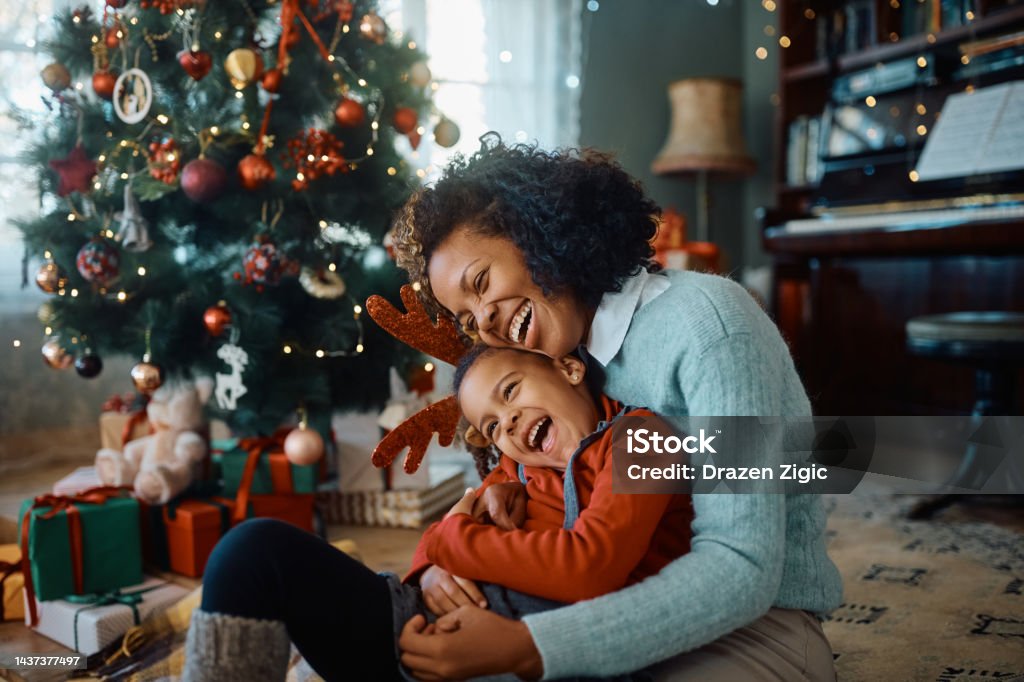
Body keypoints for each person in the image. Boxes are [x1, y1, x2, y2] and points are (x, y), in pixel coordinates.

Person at [390, 134, 843, 681]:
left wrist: (532, 646)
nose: (483, 323)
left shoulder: (711, 328)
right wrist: (435, 568)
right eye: (467, 319)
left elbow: (742, 569)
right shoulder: (560, 353)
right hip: (602, 604)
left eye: (481, 284)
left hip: (755, 626)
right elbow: (499, 492)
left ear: (534, 233)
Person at [182, 342, 692, 682]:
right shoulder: (518, 464)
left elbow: (591, 567)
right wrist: (430, 565)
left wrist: (451, 538)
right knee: (253, 550)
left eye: (511, 391)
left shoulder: (643, 438)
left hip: (536, 654)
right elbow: (444, 536)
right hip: (419, 630)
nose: (508, 425)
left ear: (569, 367)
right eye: (492, 428)